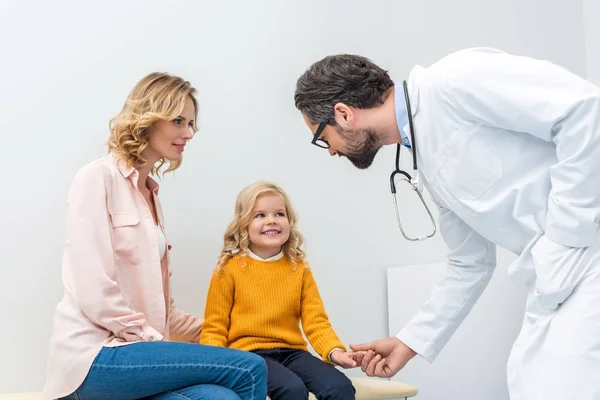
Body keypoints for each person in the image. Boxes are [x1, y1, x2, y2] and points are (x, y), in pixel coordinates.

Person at [293, 47, 600, 400]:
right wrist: (408, 341)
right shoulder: (422, 152)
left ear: (343, 114)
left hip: (586, 249)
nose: (330, 150)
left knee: (562, 384)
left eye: (321, 137)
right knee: (530, 382)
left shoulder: (455, 79)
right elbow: (470, 264)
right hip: (557, 271)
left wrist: (566, 238)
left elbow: (585, 111)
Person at [42, 72, 267, 400]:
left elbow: (162, 310)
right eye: (178, 121)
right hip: (95, 357)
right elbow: (93, 289)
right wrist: (151, 340)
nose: (187, 133)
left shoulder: (151, 196)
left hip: (139, 359)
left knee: (222, 397)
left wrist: (226, 333)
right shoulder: (97, 178)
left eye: (191, 124)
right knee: (250, 368)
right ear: (148, 117)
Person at [199, 181, 357, 400]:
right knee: (291, 389)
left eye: (279, 214)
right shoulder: (228, 269)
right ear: (243, 225)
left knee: (340, 386)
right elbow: (215, 328)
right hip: (249, 356)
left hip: (293, 353)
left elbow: (316, 321)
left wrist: (335, 352)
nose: (271, 220)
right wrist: (213, 367)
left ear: (289, 222)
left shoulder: (298, 268)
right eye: (260, 215)